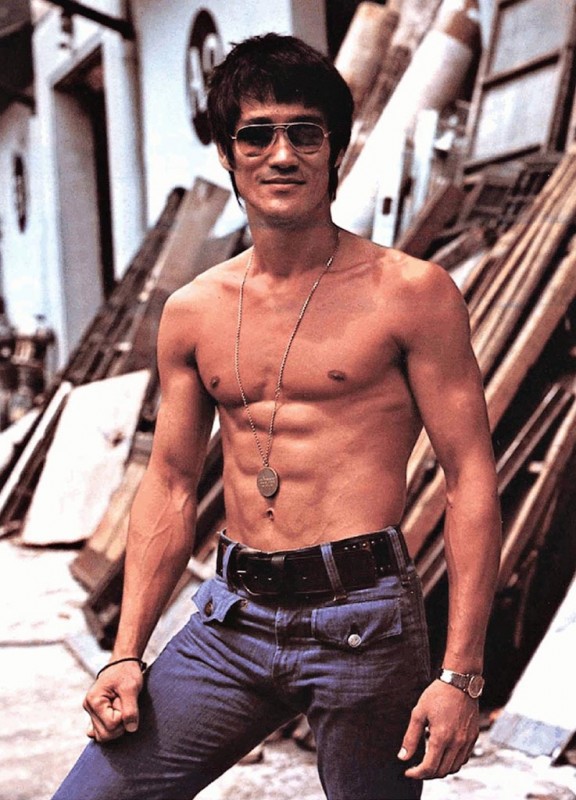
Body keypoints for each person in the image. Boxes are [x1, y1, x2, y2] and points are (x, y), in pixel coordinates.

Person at [52, 32, 501, 800]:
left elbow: (469, 477)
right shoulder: (192, 311)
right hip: (232, 618)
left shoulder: (411, 294)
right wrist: (126, 652)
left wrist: (461, 674)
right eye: (256, 135)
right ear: (228, 155)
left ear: (336, 150)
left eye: (305, 133)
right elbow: (169, 482)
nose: (282, 154)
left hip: (363, 620)